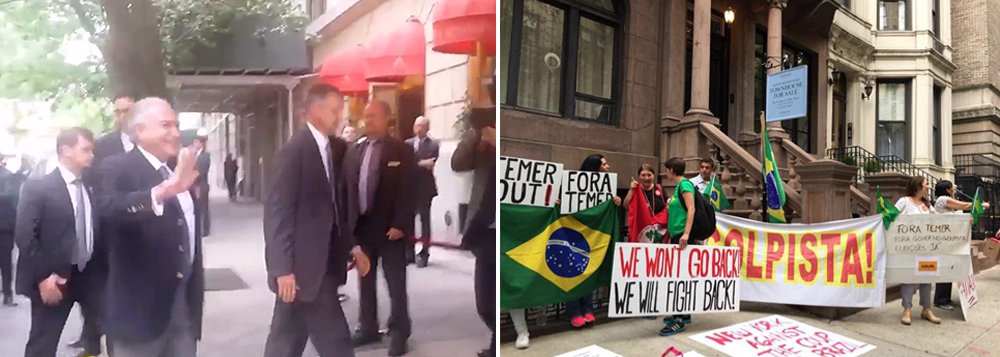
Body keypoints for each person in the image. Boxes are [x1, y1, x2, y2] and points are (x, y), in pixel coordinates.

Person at [262, 84, 372, 357]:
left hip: (318, 266)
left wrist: (353, 246)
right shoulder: (295, 151)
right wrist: (281, 268)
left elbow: (333, 209)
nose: (340, 117)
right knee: (336, 344)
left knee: (286, 341)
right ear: (315, 110)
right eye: (335, 111)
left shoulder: (329, 150)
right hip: (304, 268)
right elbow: (278, 213)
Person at [98, 97, 204, 356]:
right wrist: (161, 193)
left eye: (176, 125)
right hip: (139, 314)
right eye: (166, 125)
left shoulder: (174, 171)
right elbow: (109, 210)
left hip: (182, 310)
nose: (176, 133)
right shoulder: (117, 167)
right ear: (139, 131)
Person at [15, 127, 106, 357]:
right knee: (43, 343)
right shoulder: (39, 188)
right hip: (55, 279)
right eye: (85, 150)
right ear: (65, 151)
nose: (91, 155)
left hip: (89, 276)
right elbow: (25, 235)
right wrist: (43, 277)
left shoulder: (89, 186)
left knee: (99, 332)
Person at [346, 100, 417, 356]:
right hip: (363, 228)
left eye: (374, 116)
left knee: (395, 282)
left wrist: (400, 223)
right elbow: (348, 191)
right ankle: (367, 327)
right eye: (366, 117)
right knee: (365, 280)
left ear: (388, 118)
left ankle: (399, 331)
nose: (369, 121)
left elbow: (409, 190)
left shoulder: (401, 150)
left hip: (390, 229)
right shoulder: (355, 150)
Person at [68, 95, 133, 351]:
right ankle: (92, 340)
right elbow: (91, 182)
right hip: (106, 229)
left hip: (142, 227)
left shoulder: (151, 144)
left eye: (126, 111)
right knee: (98, 289)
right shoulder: (103, 145)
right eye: (117, 111)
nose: (121, 116)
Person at [452, 109, 496, 357]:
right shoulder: (480, 139)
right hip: (484, 231)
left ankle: (494, 348)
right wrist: (477, 136)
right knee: (483, 305)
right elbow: (457, 163)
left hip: (507, 234)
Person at [657, 157, 699, 336]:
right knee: (678, 276)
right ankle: (683, 313)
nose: (666, 173)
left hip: (683, 239)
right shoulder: (678, 188)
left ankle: (679, 319)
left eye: (667, 170)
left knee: (680, 278)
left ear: (672, 171)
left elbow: (691, 209)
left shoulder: (685, 185)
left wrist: (686, 234)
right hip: (676, 237)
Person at [932, 180, 989, 311]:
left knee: (949, 269)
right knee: (945, 270)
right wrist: (981, 205)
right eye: (952, 187)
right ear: (947, 189)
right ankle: (940, 300)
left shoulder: (944, 201)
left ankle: (944, 298)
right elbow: (964, 206)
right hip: (943, 242)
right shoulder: (942, 199)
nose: (954, 189)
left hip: (949, 241)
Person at [895, 176, 941, 326]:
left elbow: (941, 220)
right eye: (926, 184)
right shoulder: (904, 202)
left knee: (927, 278)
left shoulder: (927, 205)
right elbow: (891, 217)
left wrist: (962, 221)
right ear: (918, 186)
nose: (928, 186)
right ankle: (907, 309)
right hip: (908, 248)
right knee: (908, 278)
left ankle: (926, 309)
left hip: (926, 249)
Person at [405, 115, 439, 268]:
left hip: (425, 189)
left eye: (421, 125)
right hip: (409, 188)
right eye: (416, 125)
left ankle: (424, 253)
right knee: (408, 222)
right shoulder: (407, 144)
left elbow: (431, 162)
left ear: (427, 128)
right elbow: (406, 165)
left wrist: (415, 164)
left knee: (425, 222)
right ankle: (409, 253)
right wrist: (420, 163)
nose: (418, 128)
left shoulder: (433, 144)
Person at [0, 153, 27, 306]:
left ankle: (7, 293)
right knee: (5, 262)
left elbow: (11, 197)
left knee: (5, 262)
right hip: (5, 225)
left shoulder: (8, 177)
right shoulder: (9, 176)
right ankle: (7, 293)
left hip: (4, 226)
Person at [191, 135, 211, 236]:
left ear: (201, 143)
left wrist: (193, 175)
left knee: (204, 208)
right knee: (197, 208)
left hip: (201, 185)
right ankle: (199, 229)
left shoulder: (205, 155)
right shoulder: (195, 155)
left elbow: (202, 171)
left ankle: (205, 230)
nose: (194, 144)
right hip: (195, 186)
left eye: (196, 142)